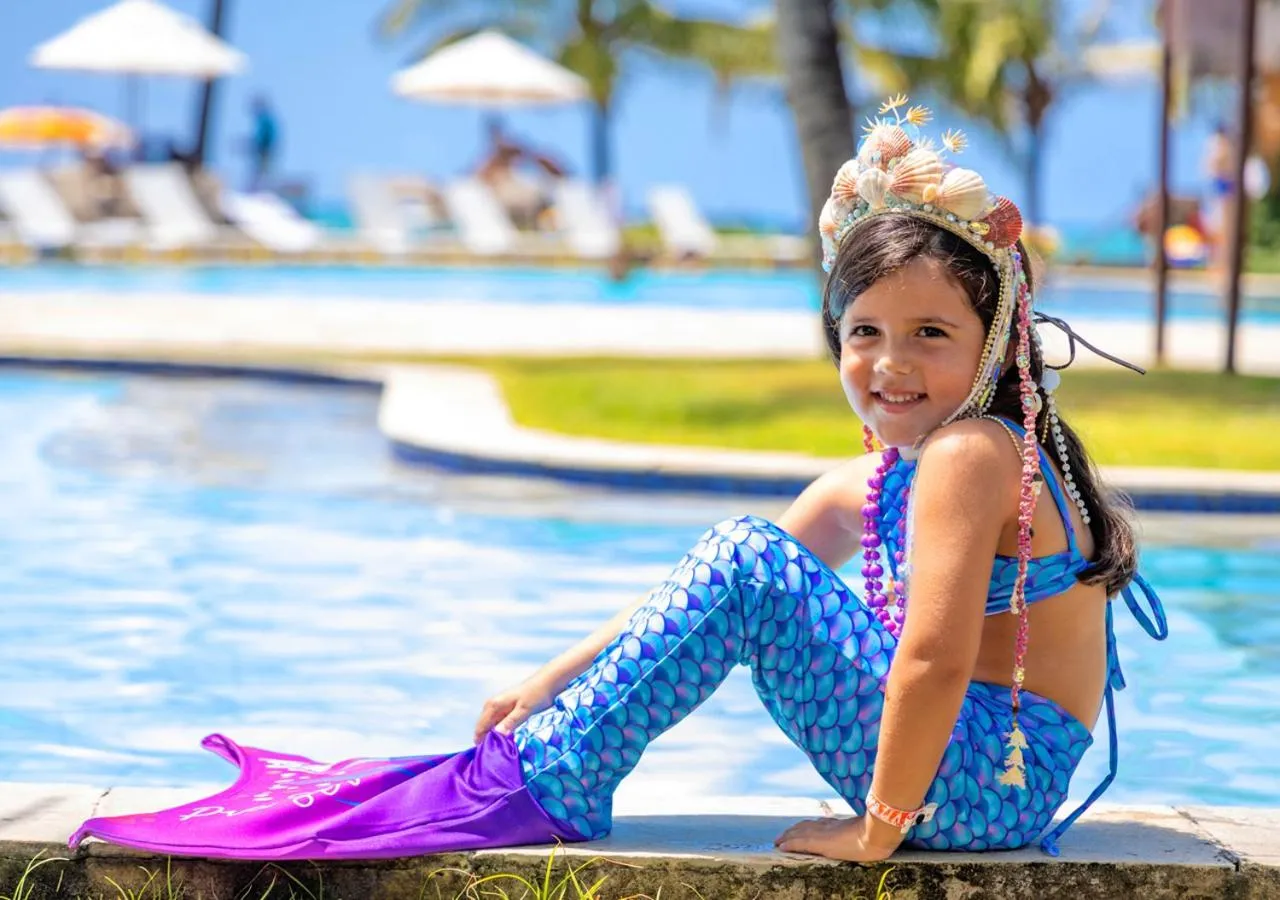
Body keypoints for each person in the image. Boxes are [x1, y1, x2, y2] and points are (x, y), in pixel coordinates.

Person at [70, 98, 1167, 863]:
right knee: (743, 556)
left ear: (992, 341)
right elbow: (695, 603)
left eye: (931, 333)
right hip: (963, 776)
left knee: (749, 555)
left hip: (981, 786)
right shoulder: (878, 478)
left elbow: (927, 657)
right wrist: (550, 675)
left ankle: (551, 781)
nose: (889, 364)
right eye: (865, 330)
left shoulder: (975, 453)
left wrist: (876, 828)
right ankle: (554, 756)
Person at [247, 95, 278, 191]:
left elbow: (262, 137)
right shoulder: (266, 119)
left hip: (264, 150)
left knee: (262, 174)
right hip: (265, 150)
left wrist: (256, 146)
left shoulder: (265, 119)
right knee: (263, 173)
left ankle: (261, 191)